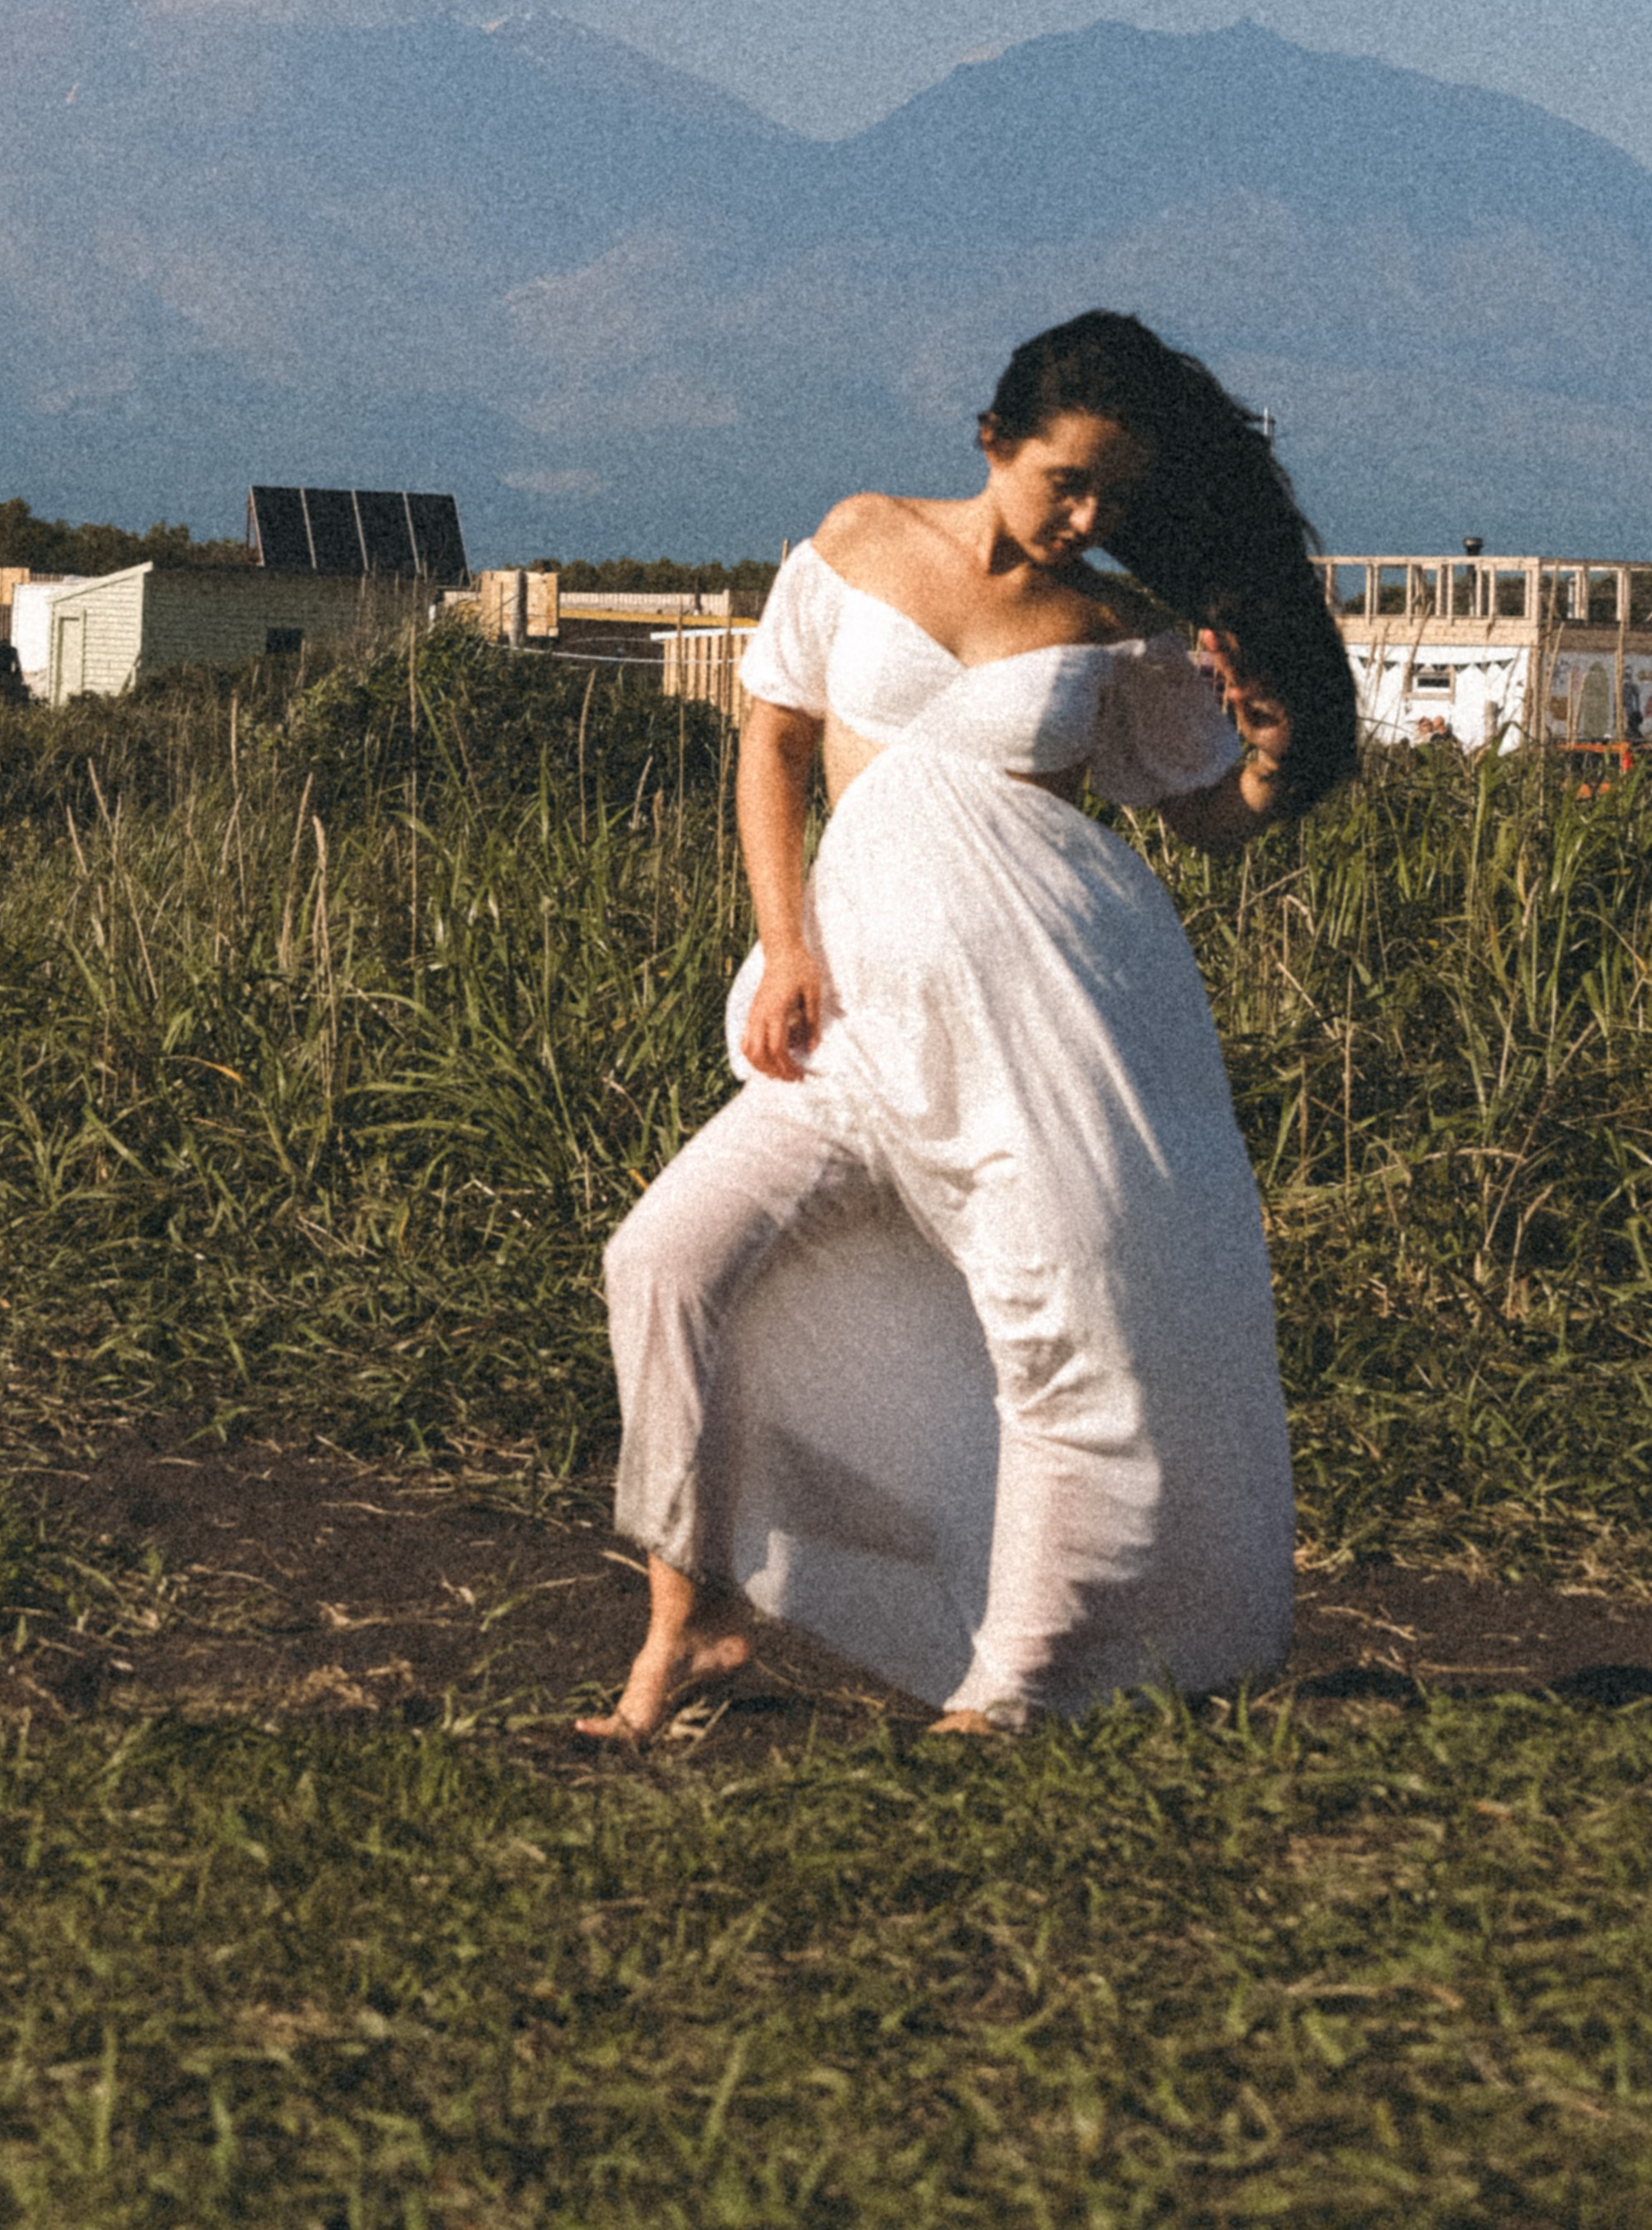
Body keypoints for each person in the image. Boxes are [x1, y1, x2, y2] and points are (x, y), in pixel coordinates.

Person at [580, 311, 1358, 1744]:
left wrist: (1276, 753)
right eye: (1063, 479)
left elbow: (1208, 822)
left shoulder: (1117, 631)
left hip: (1043, 1035)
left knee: (1073, 1335)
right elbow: (774, 739)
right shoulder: (857, 542)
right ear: (990, 442)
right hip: (855, 1032)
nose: (1086, 518)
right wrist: (789, 948)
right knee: (667, 1261)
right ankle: (690, 1626)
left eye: (1114, 498)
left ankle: (1024, 1677)